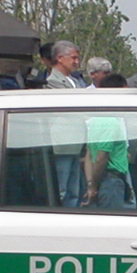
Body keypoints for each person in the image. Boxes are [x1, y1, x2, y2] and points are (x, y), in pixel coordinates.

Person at [82, 73, 133, 209]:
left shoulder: (94, 120)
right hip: (111, 181)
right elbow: (101, 157)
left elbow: (89, 155)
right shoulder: (110, 121)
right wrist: (94, 185)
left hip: (100, 180)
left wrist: (90, 184)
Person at [45, 41, 87, 206]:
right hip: (61, 144)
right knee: (61, 190)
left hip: (76, 143)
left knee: (74, 192)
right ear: (60, 58)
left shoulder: (75, 81)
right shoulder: (52, 82)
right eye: (73, 58)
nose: (76, 62)